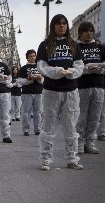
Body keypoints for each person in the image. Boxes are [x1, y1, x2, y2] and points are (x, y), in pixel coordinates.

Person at [36, 14, 84, 170]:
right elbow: (41, 66)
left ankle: (72, 159)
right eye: (58, 23)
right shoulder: (45, 45)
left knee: (70, 125)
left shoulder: (73, 44)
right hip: (51, 89)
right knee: (48, 125)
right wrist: (56, 71)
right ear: (53, 26)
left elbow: (79, 65)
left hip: (70, 90)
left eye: (64, 23)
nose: (62, 26)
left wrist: (72, 72)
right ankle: (46, 159)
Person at [76, 21, 105, 154]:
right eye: (86, 31)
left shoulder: (100, 47)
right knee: (82, 116)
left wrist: (99, 68)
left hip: (99, 85)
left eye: (91, 31)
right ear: (80, 33)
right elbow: (73, 66)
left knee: (95, 116)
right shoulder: (76, 48)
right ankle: (80, 143)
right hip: (82, 85)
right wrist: (87, 69)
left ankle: (90, 143)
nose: (89, 33)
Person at [17, 49, 44, 136]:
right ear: (27, 58)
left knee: (38, 111)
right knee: (26, 111)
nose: (32, 58)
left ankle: (38, 129)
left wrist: (40, 79)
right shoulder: (23, 68)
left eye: (34, 56)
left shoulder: (40, 67)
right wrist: (28, 80)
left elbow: (44, 80)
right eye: (30, 56)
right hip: (27, 92)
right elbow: (19, 80)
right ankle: (26, 129)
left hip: (38, 91)